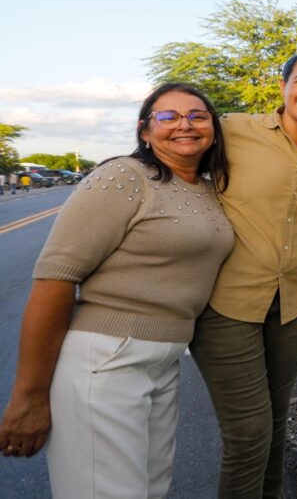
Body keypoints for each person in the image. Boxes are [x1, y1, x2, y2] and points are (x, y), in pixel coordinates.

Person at [0, 83, 233, 498]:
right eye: (168, 116)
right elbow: (56, 278)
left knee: (151, 489)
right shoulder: (123, 177)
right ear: (145, 130)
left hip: (164, 362)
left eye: (198, 116)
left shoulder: (208, 188)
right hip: (106, 361)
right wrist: (29, 398)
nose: (185, 124)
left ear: (213, 128)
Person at [189, 50, 297, 498]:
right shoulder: (234, 130)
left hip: (292, 303)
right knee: (248, 434)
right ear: (283, 86)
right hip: (228, 303)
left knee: (277, 420)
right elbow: (180, 164)